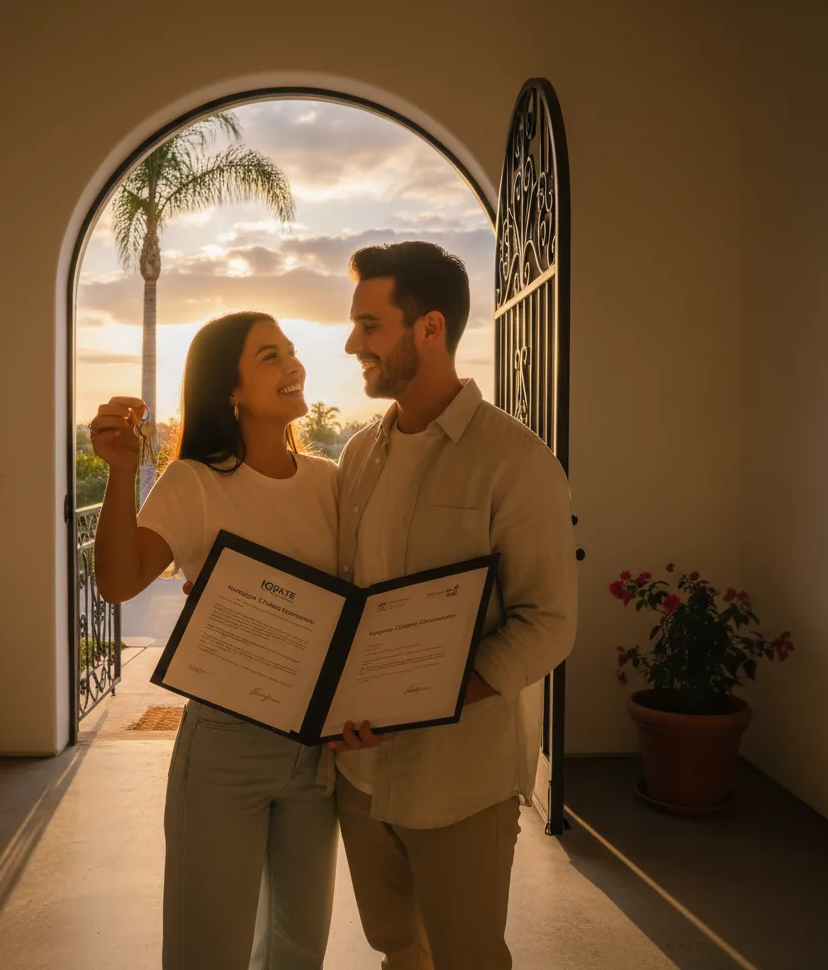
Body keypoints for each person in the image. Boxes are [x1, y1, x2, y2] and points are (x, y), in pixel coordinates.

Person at [325, 241, 578, 970]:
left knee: (467, 956)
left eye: (370, 326)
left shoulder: (517, 461)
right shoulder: (358, 456)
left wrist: (424, 697)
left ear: (428, 328)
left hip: (460, 781)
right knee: (397, 947)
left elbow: (549, 622)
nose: (352, 344)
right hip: (357, 774)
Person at [89, 311, 339, 970]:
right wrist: (118, 471)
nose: (293, 365)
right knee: (209, 950)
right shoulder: (194, 482)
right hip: (226, 745)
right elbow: (117, 582)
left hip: (318, 754)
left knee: (298, 949)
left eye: (290, 350)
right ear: (230, 391)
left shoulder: (330, 483)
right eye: (269, 356)